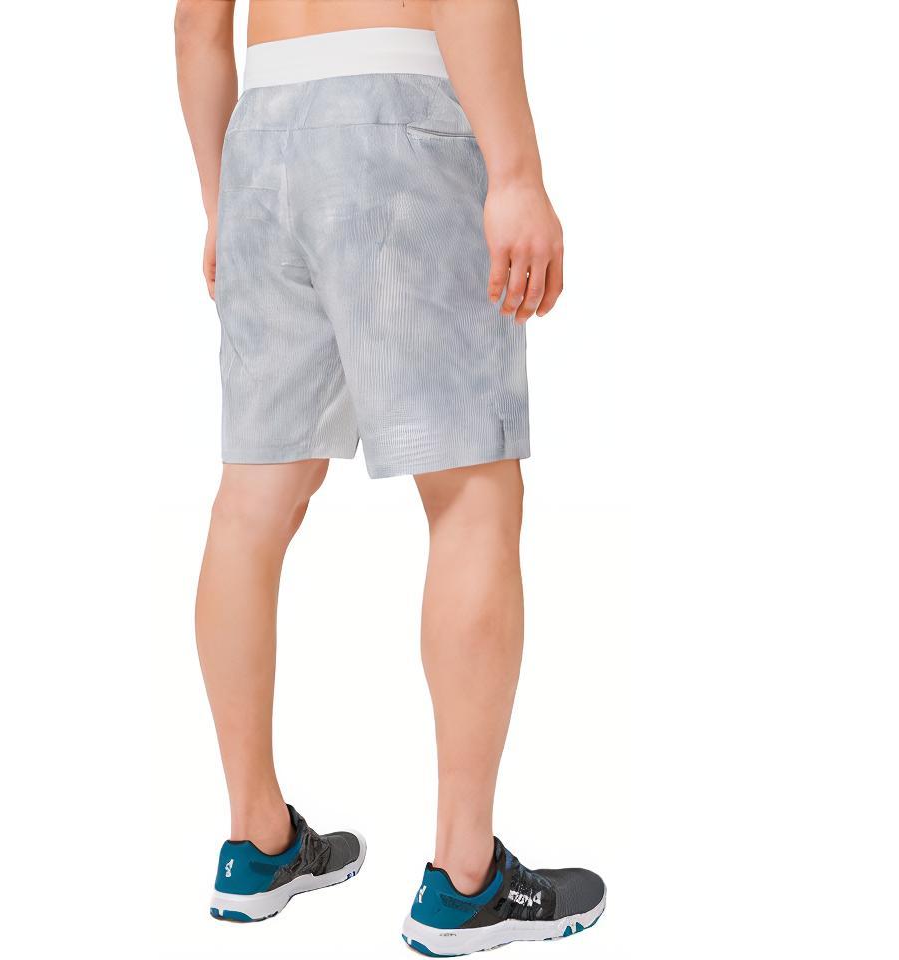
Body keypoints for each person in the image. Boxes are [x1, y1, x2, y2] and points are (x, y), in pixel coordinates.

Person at [175, 2, 604, 953]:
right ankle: (464, 879)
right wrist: (516, 174)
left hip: (262, 133)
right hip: (397, 110)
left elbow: (198, 26)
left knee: (252, 502)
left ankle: (256, 841)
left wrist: (221, 203)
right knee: (472, 492)